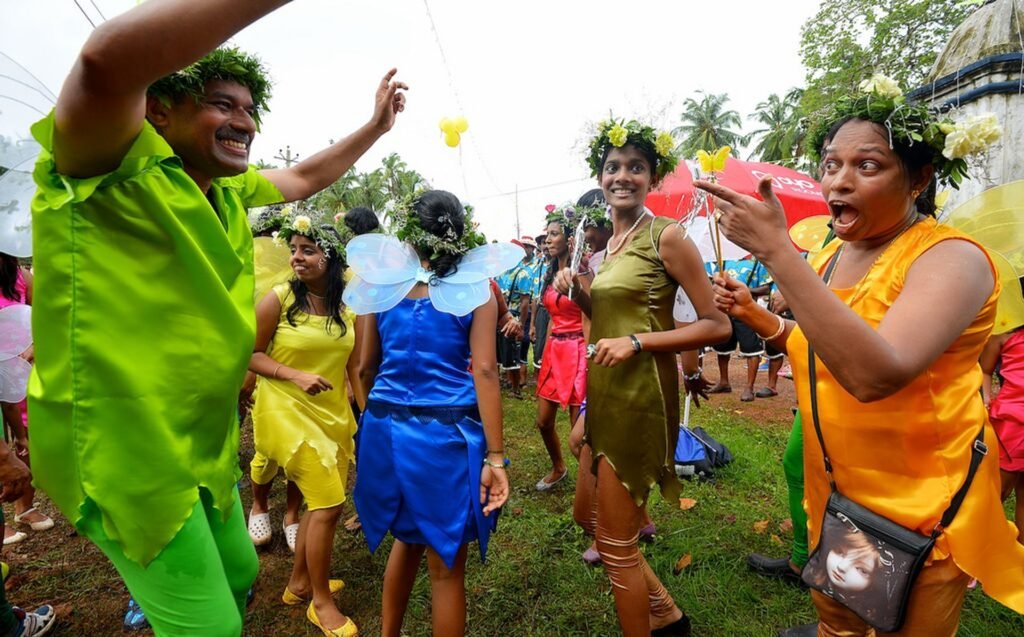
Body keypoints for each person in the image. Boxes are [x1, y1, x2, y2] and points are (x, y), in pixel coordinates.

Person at [27, 2, 406, 634]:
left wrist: (375, 128)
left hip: (201, 445)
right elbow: (103, 61)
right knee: (213, 628)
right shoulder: (106, 162)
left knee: (240, 576)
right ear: (158, 109)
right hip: (126, 451)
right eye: (222, 103)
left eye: (250, 109)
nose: (244, 121)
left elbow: (306, 174)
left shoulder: (229, 188)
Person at [702, 75, 1024, 636]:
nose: (839, 181)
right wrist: (762, 319)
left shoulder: (953, 259)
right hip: (844, 499)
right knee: (842, 624)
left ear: (919, 178)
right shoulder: (831, 257)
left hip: (923, 509)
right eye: (830, 165)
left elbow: (875, 373)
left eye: (867, 166)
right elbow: (820, 346)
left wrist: (779, 253)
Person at [554, 118, 730, 636]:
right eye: (613, 167)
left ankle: (657, 621)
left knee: (616, 546)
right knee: (585, 517)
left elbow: (716, 325)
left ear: (652, 178)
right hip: (604, 393)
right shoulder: (606, 249)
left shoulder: (666, 237)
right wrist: (579, 293)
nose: (622, 176)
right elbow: (610, 318)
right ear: (601, 177)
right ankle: (667, 614)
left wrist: (638, 343)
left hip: (642, 398)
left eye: (636, 167)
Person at [349, 191, 514, 636]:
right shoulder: (476, 289)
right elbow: (484, 370)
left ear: (409, 234)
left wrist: (376, 422)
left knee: (406, 539)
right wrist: (495, 458)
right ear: (458, 235)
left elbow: (363, 366)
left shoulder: (382, 285)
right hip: (445, 435)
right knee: (445, 567)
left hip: (384, 427)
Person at [248, 213, 358, 635]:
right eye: (293, 249)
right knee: (329, 505)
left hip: (330, 413)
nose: (296, 257)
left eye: (307, 250)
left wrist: (361, 410)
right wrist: (294, 376)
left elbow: (353, 364)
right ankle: (320, 602)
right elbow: (252, 354)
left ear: (331, 260)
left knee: (320, 501)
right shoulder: (278, 299)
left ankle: (297, 583)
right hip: (285, 410)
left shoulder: (346, 307)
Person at [532, 207, 588, 491]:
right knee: (543, 421)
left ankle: (590, 481)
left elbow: (592, 313)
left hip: (578, 350)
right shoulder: (550, 272)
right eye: (547, 235)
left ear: (570, 238)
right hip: (554, 350)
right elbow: (552, 315)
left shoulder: (583, 271)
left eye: (554, 234)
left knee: (579, 429)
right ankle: (559, 467)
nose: (547, 240)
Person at [0, 254, 54, 545]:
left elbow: (45, 315)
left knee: (27, 441)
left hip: (20, 372)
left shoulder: (20, 278)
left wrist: (33, 345)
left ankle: (25, 507)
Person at [706, 256, 773, 402]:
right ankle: (724, 382)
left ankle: (749, 387)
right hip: (725, 310)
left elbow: (767, 287)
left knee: (751, 348)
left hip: (747, 311)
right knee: (722, 347)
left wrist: (745, 291)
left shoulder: (757, 260)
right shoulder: (722, 259)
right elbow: (712, 281)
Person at [981, 326, 1024, 543]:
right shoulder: (1003, 336)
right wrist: (986, 399)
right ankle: (982, 549)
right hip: (1011, 426)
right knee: (999, 491)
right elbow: (985, 369)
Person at [495, 241, 534, 398]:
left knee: (512, 354)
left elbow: (525, 303)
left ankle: (516, 389)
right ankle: (498, 383)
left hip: (513, 318)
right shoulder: (500, 273)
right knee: (497, 353)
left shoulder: (523, 274)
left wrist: (521, 325)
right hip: (498, 318)